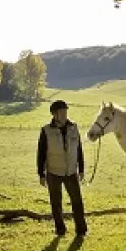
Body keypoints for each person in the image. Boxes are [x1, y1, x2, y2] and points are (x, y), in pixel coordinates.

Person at [37, 100, 87, 236]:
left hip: (71, 171)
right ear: (54, 114)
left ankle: (81, 230)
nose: (64, 114)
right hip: (53, 172)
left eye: (65, 111)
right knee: (56, 203)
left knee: (77, 201)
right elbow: (41, 153)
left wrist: (81, 169)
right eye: (61, 112)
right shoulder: (46, 130)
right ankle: (60, 230)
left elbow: (79, 149)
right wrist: (41, 174)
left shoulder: (74, 127)